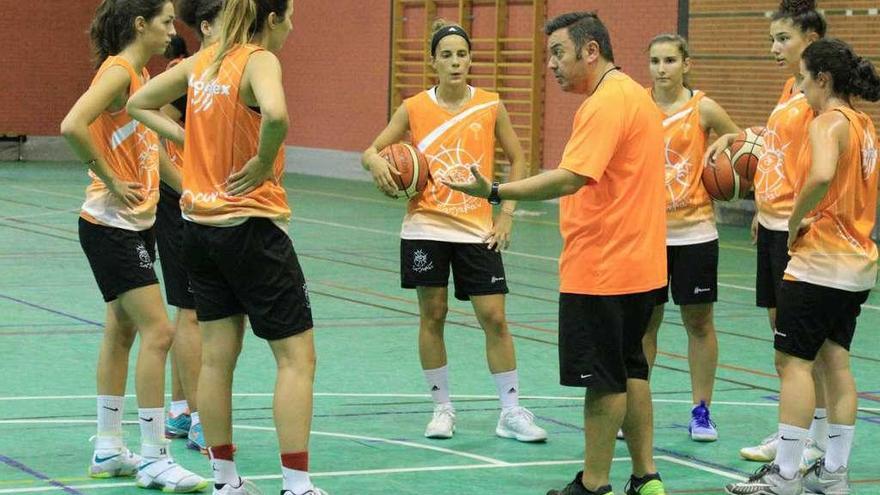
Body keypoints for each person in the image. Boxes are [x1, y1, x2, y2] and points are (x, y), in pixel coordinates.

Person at [444, 11, 668, 495]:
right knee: (632, 370)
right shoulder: (637, 97)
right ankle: (646, 478)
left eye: (559, 53)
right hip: (642, 265)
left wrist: (498, 191)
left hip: (604, 268)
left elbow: (571, 176)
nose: (551, 65)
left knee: (603, 382)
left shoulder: (605, 104)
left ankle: (593, 485)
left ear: (591, 50)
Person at [128, 1, 325, 494]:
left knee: (217, 360)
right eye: (291, 18)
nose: (293, 28)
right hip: (251, 227)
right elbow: (276, 114)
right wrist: (261, 161)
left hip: (197, 229)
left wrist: (188, 137)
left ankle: (225, 482)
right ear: (272, 19)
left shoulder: (204, 60)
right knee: (296, 358)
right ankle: (297, 486)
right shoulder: (259, 60)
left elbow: (138, 103)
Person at [360, 19, 547, 443]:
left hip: (477, 226)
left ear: (470, 59)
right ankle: (442, 408)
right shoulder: (413, 107)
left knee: (494, 318)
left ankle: (511, 412)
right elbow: (370, 151)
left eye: (461, 54)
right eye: (446, 55)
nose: (455, 61)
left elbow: (518, 159)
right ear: (433, 62)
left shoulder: (490, 104)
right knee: (434, 314)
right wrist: (374, 162)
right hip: (425, 225)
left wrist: (507, 213)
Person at [59, 0, 207, 492]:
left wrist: (194, 189)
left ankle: (107, 447)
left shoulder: (140, 77)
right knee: (160, 331)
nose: (172, 30)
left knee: (121, 332)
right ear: (140, 24)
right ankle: (153, 456)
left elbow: (152, 154)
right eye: (166, 21)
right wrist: (105, 176)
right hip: (110, 223)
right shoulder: (121, 70)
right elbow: (72, 124)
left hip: (134, 222)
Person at [724, 37, 879, 495]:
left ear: (822, 80)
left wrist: (794, 220)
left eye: (804, 81)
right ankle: (834, 473)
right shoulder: (865, 125)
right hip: (858, 262)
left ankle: (786, 474)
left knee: (792, 362)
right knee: (837, 364)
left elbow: (822, 174)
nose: (801, 90)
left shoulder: (827, 122)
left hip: (821, 261)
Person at [705, 0, 829, 466]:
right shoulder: (789, 87)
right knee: (784, 342)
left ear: (810, 42)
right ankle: (796, 432)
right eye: (772, 39)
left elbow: (824, 167)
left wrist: (797, 218)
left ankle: (810, 440)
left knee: (802, 350)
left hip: (800, 233)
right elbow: (781, 146)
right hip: (774, 225)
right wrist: (738, 141)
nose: (775, 48)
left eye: (783, 39)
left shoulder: (821, 97)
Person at [643, 33, 740, 442]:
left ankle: (702, 409)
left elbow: (742, 143)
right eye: (654, 61)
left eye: (669, 60)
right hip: (645, 234)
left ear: (687, 64)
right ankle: (634, 406)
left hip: (695, 232)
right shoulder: (635, 107)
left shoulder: (704, 107)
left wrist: (726, 142)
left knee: (698, 322)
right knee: (644, 324)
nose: (661, 68)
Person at [159, 0, 226, 455]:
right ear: (206, 26)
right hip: (182, 199)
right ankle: (200, 416)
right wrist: (188, 175)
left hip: (205, 198)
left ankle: (181, 408)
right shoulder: (191, 71)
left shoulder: (231, 72)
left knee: (192, 311)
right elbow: (154, 118)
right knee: (192, 311)